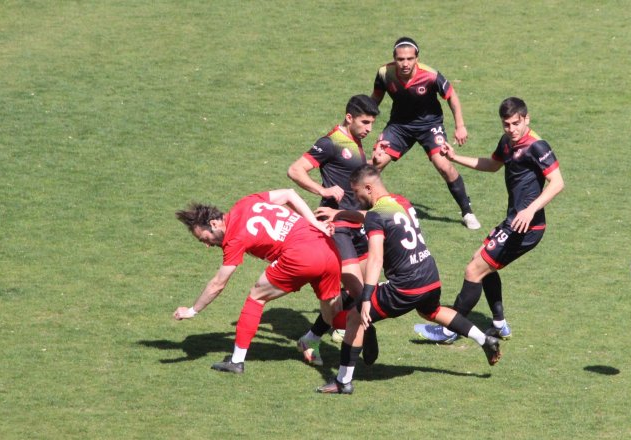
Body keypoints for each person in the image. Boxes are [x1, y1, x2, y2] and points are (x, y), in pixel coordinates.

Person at [316, 164, 501, 394]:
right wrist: (341, 214)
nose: (355, 197)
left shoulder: (375, 216)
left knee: (354, 317)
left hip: (406, 286)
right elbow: (374, 217)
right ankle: (485, 340)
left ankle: (343, 381)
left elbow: (375, 259)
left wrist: (366, 296)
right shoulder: (400, 201)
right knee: (431, 311)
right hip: (430, 276)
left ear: (368, 187)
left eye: (356, 192)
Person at [414, 97, 565, 343]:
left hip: (527, 226)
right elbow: (493, 165)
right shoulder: (507, 142)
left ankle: (450, 330)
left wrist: (530, 210)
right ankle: (499, 324)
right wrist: (455, 158)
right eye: (506, 124)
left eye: (516, 123)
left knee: (474, 270)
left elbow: (557, 182)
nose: (512, 129)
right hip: (513, 222)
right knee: (480, 261)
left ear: (526, 119)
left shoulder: (537, 146)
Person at [173, 188, 343, 374]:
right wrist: (315, 224)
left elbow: (217, 284)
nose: (207, 244)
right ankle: (319, 341)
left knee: (256, 297)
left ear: (214, 223)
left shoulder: (233, 238)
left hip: (300, 256)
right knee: (332, 314)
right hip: (328, 248)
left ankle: (237, 361)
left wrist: (192, 310)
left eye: (205, 238)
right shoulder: (246, 202)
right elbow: (289, 194)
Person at [287, 94, 380, 364]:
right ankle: (358, 330)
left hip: (358, 222)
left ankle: (318, 334)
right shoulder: (330, 143)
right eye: (364, 122)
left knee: (363, 287)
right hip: (337, 225)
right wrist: (322, 189)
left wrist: (373, 163)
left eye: (372, 123)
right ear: (349, 118)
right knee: (356, 287)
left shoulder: (356, 141)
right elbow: (295, 170)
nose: (368, 128)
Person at [370, 36, 481, 230]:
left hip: (430, 126)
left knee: (444, 166)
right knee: (376, 164)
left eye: (410, 59)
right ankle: (364, 210)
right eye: (400, 59)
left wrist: (460, 125)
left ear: (417, 58)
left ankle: (467, 212)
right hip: (399, 126)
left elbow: (451, 96)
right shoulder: (384, 73)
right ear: (394, 58)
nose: (405, 63)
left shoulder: (430, 75)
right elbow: (375, 99)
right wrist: (366, 119)